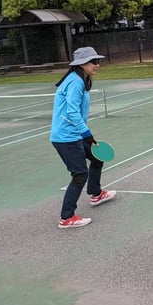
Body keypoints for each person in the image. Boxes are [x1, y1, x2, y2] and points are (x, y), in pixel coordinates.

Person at [51, 47, 116, 228]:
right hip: (66, 137)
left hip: (75, 134)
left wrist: (83, 133)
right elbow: (72, 111)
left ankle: (96, 193)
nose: (97, 65)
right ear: (82, 64)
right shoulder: (75, 82)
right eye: (93, 62)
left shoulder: (81, 78)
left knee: (97, 157)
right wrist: (87, 134)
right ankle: (66, 217)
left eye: (98, 61)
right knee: (80, 174)